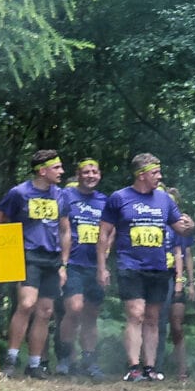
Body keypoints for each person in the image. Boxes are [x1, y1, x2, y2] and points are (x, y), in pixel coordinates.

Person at [96, 153, 194, 381]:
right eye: (155, 173)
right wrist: (102, 266)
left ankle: (150, 368)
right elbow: (103, 233)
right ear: (141, 175)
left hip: (158, 266)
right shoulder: (119, 198)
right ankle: (133, 367)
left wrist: (190, 226)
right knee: (136, 314)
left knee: (152, 317)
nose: (159, 177)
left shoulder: (165, 200)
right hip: (130, 264)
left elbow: (181, 229)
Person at [0, 149, 71, 378]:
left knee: (46, 311)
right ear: (42, 170)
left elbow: (65, 230)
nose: (62, 172)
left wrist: (63, 264)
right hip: (28, 255)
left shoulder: (61, 195)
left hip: (52, 259)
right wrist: (6, 257)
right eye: (57, 167)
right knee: (27, 304)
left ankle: (35, 364)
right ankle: (11, 360)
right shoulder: (19, 193)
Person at [56, 158, 107, 378]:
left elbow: (110, 233)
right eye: (86, 172)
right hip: (73, 263)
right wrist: (62, 264)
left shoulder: (105, 201)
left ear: (99, 175)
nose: (90, 175)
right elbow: (59, 228)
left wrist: (104, 263)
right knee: (74, 308)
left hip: (95, 265)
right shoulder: (66, 196)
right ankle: (65, 357)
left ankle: (89, 360)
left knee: (91, 314)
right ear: (78, 175)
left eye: (94, 172)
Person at [162, 186, 195, 382]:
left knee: (176, 324)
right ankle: (152, 366)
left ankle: (182, 369)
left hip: (178, 278)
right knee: (155, 321)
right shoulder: (156, 220)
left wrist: (189, 283)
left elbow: (187, 254)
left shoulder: (183, 224)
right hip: (160, 274)